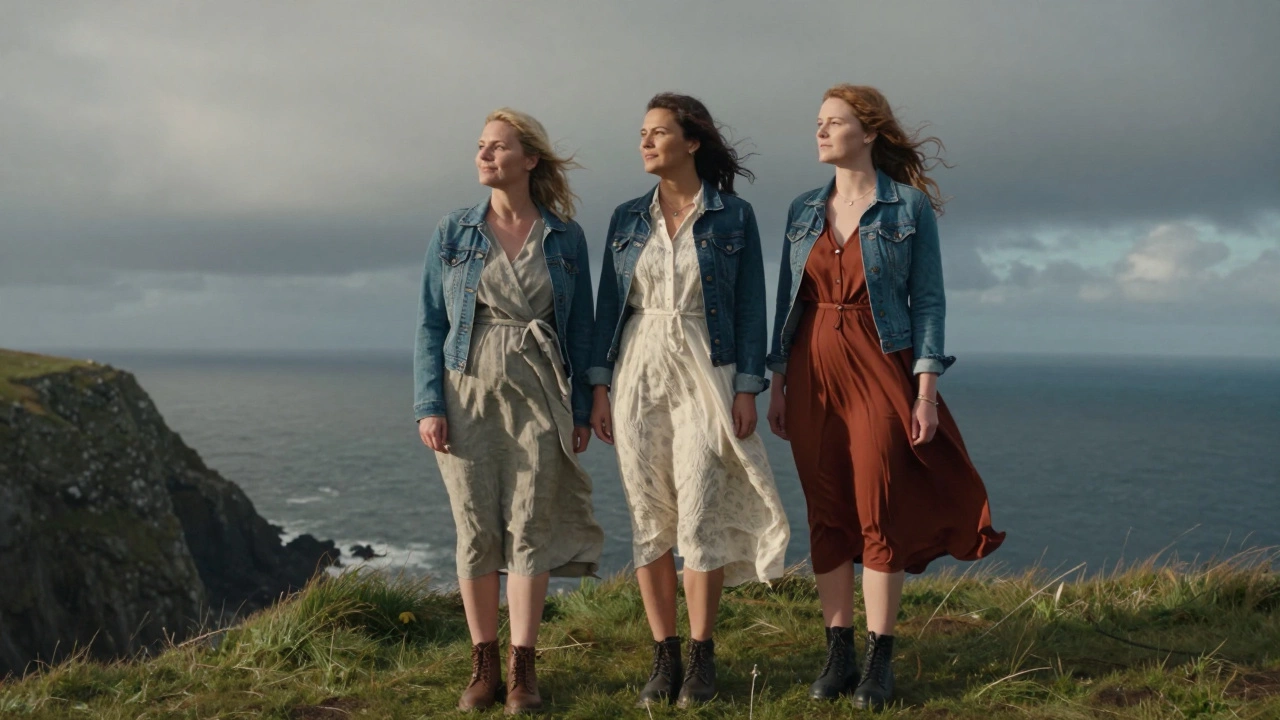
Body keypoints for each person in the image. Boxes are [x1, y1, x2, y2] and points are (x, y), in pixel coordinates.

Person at [766, 84, 1005, 711]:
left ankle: (878, 659)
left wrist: (925, 392)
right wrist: (778, 381)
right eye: (817, 122)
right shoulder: (799, 210)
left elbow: (928, 301)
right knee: (826, 512)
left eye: (834, 122)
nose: (820, 132)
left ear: (868, 132)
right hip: (811, 363)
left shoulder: (906, 208)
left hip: (880, 362)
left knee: (878, 506)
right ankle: (837, 652)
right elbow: (787, 301)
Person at [589, 93, 790, 708]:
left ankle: (702, 656)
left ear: (692, 141)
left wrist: (748, 387)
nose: (646, 142)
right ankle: (664, 653)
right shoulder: (626, 218)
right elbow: (607, 308)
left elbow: (753, 307)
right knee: (650, 516)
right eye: (642, 133)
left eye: (658, 132)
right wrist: (599, 386)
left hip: (709, 364)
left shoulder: (734, 216)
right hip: (639, 370)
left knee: (701, 507)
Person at [413, 108, 603, 714]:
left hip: (539, 390)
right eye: (480, 147)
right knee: (475, 527)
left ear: (530, 160)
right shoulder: (453, 232)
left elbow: (581, 329)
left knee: (529, 526)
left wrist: (580, 409)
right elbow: (430, 323)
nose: (485, 156)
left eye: (498, 148)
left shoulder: (564, 236)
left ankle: (524, 672)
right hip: (466, 390)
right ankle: (483, 665)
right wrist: (429, 404)